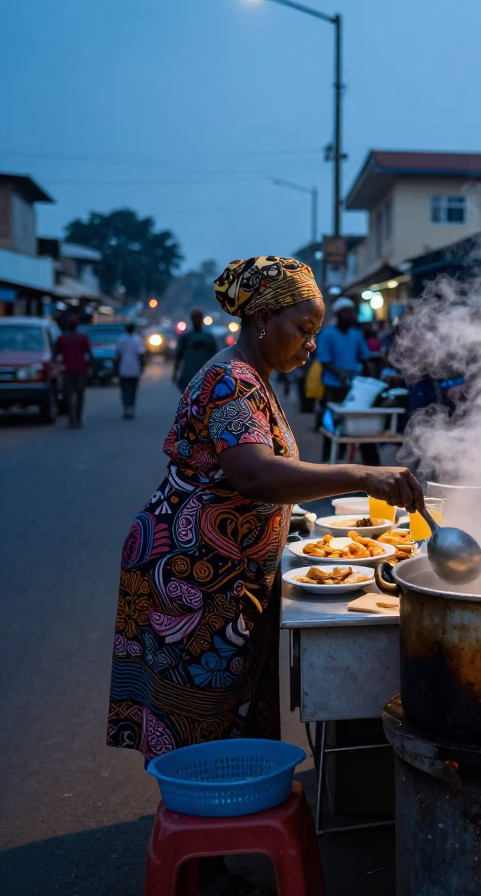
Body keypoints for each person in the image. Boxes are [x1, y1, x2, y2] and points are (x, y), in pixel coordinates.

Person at [107, 256, 422, 765]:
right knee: (201, 725)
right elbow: (254, 473)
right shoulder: (230, 380)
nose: (311, 343)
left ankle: (225, 810)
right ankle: (204, 826)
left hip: (228, 574)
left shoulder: (255, 375)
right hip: (195, 575)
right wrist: (365, 475)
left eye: (314, 331)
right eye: (302, 329)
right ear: (261, 319)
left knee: (232, 717)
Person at [315, 296, 370, 461]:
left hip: (353, 387)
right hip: (333, 386)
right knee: (331, 424)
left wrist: (370, 378)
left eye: (351, 312)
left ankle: (352, 459)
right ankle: (328, 459)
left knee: (356, 423)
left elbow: (365, 357)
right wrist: (341, 374)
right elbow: (325, 361)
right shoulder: (327, 334)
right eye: (345, 312)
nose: (349, 315)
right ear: (338, 314)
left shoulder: (356, 335)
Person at [53, 316, 93, 428]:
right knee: (79, 395)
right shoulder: (82, 337)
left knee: (68, 395)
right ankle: (78, 418)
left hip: (67, 371)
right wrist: (90, 368)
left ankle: (72, 419)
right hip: (80, 370)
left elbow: (55, 354)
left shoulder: (62, 338)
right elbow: (89, 354)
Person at [172, 308, 218, 392]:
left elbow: (215, 357)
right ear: (192, 319)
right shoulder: (185, 337)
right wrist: (175, 373)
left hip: (204, 375)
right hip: (188, 374)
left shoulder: (208, 337)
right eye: (195, 318)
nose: (196, 320)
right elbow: (178, 355)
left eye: (198, 317)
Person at [115, 323, 146, 419]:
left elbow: (118, 355)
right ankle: (131, 409)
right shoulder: (137, 339)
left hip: (123, 370)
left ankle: (126, 409)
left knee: (124, 390)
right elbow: (140, 354)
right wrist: (142, 366)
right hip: (134, 369)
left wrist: (117, 367)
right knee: (132, 390)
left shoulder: (121, 339)